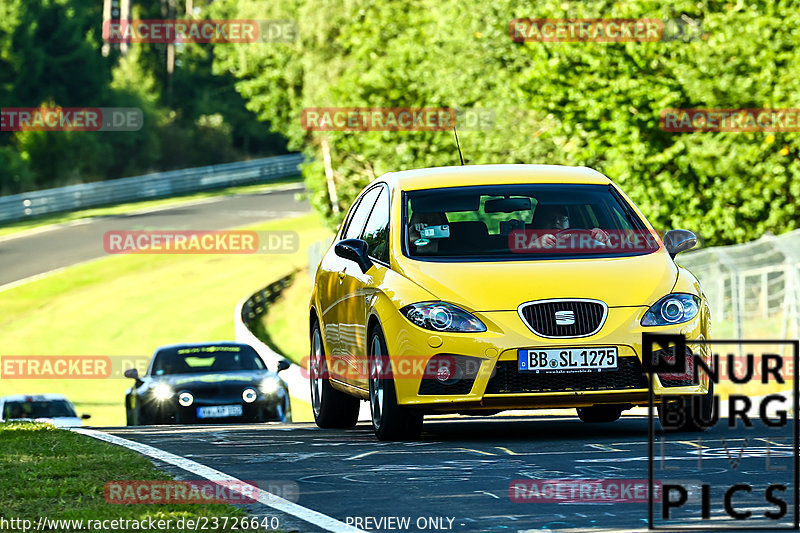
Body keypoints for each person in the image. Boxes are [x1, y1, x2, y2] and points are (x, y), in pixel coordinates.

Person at [530, 205, 608, 248]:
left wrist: (606, 242)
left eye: (562, 219)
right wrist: (532, 247)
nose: (556, 222)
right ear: (539, 222)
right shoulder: (524, 240)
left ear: (569, 224)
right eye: (550, 218)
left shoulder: (584, 242)